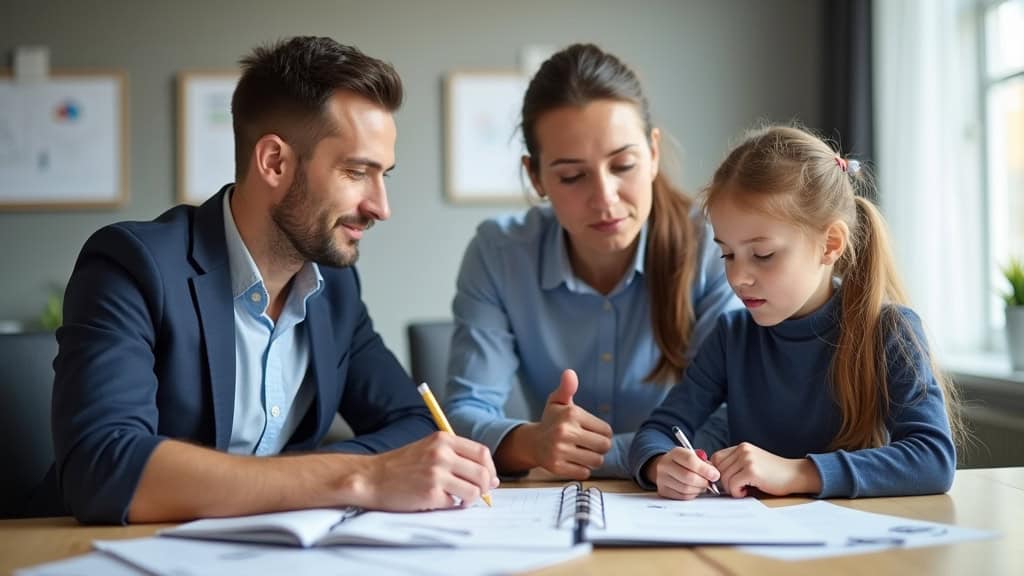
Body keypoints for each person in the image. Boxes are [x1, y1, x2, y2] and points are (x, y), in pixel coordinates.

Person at [51, 36, 497, 525]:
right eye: (356, 172)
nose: (380, 207)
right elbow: (103, 467)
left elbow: (412, 423)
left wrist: (302, 480)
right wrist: (359, 478)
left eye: (383, 175)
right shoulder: (132, 266)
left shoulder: (336, 289)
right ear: (274, 162)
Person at [444, 44, 739, 480]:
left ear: (653, 154)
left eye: (623, 165)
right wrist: (533, 442)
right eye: (571, 176)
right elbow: (464, 414)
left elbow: (732, 414)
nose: (605, 198)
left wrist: (609, 455)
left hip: (677, 499)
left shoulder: (716, 244)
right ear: (535, 177)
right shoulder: (497, 253)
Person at [630, 125, 964, 499]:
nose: (738, 277)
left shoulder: (889, 330)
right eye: (727, 254)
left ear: (830, 244)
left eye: (763, 255)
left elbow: (933, 460)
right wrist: (662, 464)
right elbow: (658, 431)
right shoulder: (732, 335)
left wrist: (795, 473)